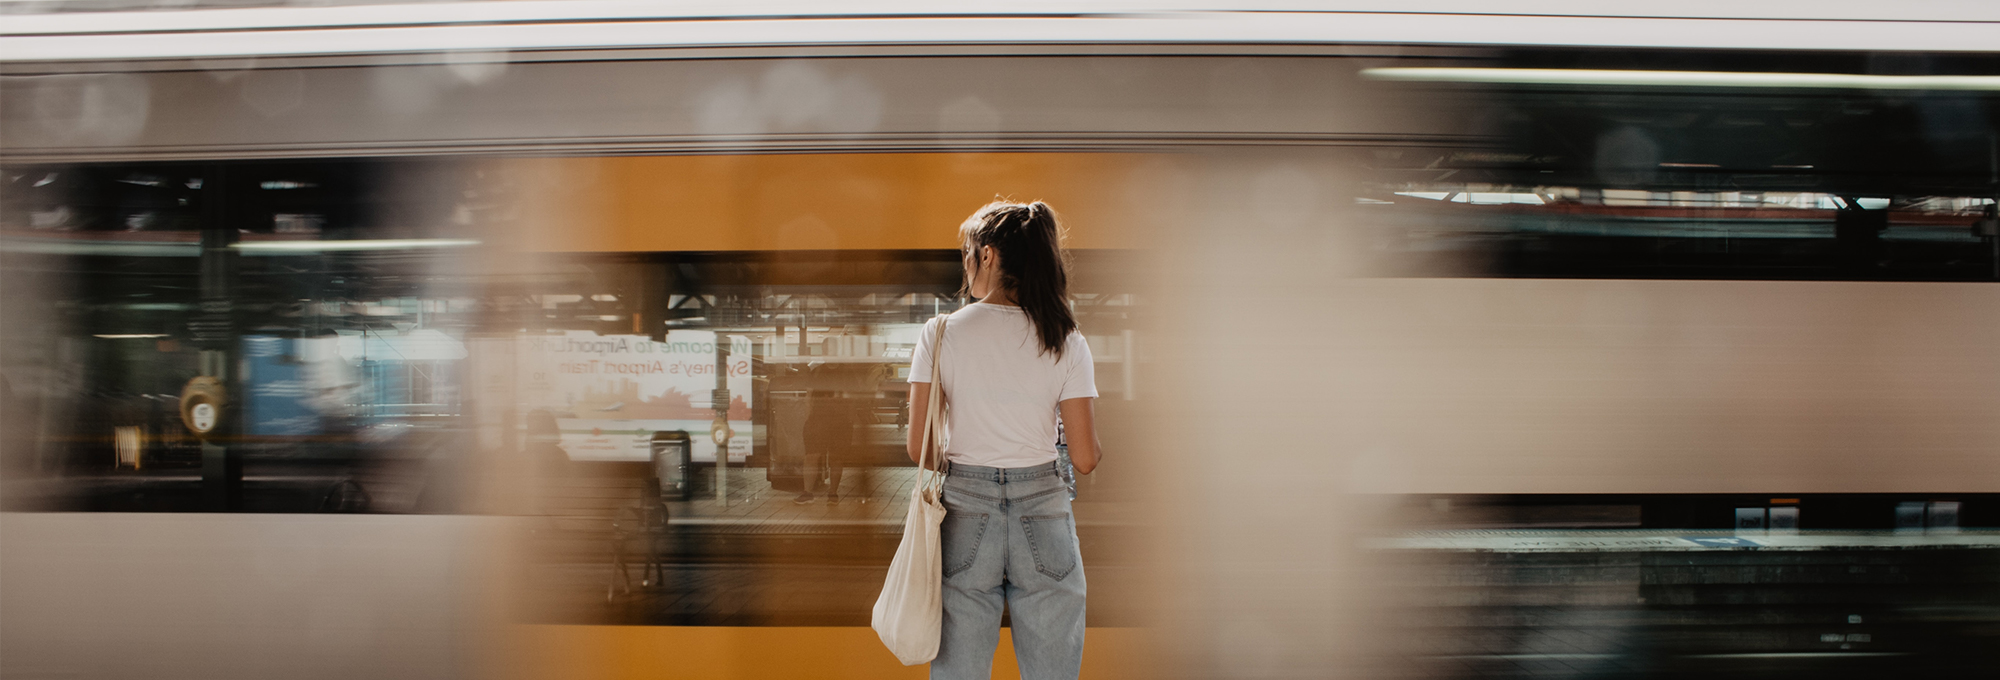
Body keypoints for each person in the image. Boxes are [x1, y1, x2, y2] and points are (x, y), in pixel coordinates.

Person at [906, 200, 1103, 680]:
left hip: (965, 512)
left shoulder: (940, 333)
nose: (966, 266)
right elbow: (1085, 458)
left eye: (968, 255)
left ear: (988, 255)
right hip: (1044, 509)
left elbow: (920, 449)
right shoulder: (1066, 338)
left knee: (960, 669)